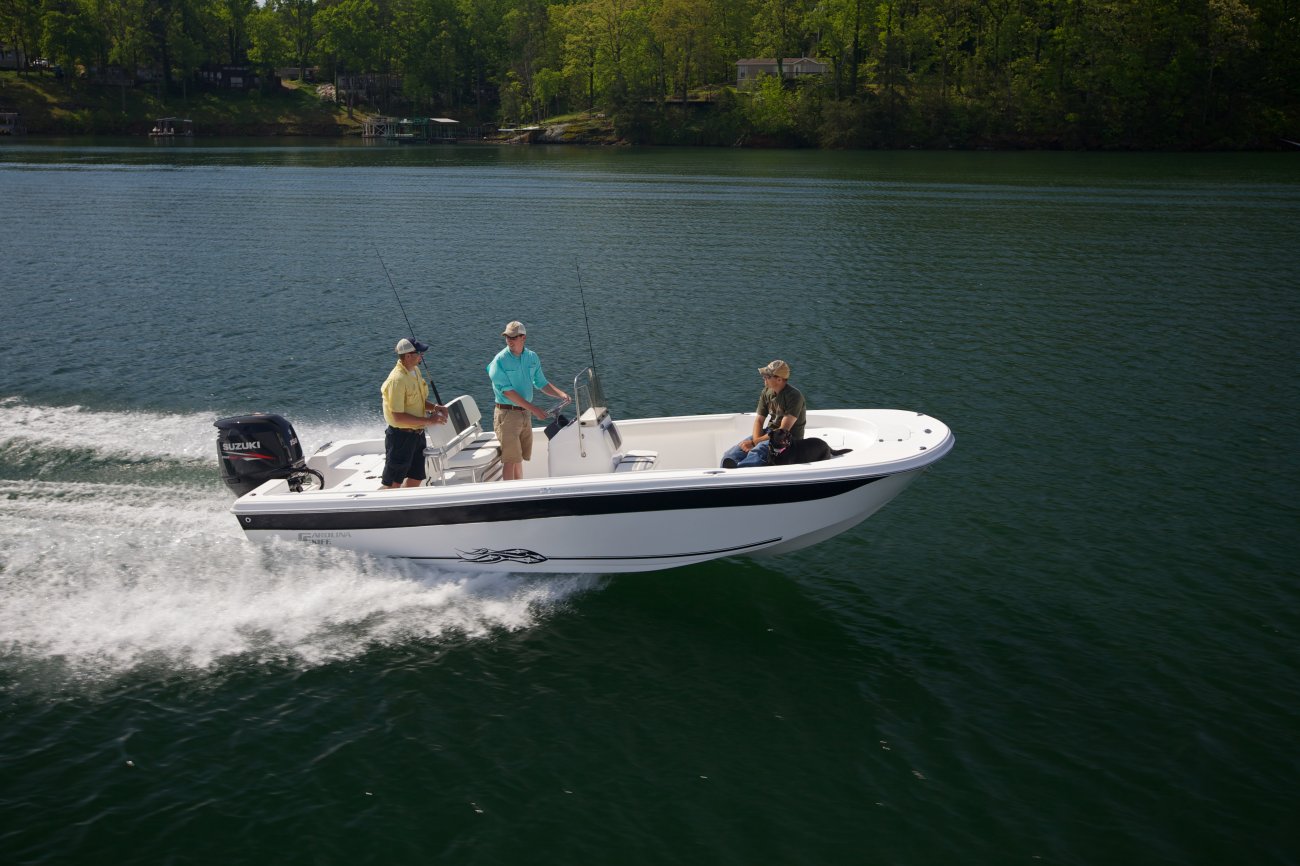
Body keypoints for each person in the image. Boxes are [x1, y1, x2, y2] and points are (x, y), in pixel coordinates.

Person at [487, 321, 570, 481]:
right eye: (506, 337)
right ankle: (509, 498)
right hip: (507, 415)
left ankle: (519, 490)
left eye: (513, 337)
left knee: (519, 459)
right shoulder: (499, 361)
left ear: (523, 337)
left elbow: (541, 383)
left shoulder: (532, 357)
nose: (509, 340)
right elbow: (509, 393)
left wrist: (561, 394)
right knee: (510, 460)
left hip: (524, 414)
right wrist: (534, 409)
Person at [380, 337, 448, 489]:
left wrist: (435, 407)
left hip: (417, 435)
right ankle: (389, 510)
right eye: (419, 353)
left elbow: (418, 402)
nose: (421, 356)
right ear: (408, 356)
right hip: (400, 438)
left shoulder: (415, 371)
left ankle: (404, 507)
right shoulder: (396, 380)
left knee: (416, 477)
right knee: (393, 482)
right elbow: (398, 416)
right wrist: (431, 421)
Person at [721, 359, 807, 468]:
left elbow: (783, 431)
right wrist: (755, 441)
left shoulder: (794, 396)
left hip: (788, 438)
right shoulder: (766, 392)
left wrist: (754, 443)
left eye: (768, 376)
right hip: (770, 433)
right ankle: (728, 474)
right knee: (730, 455)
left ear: (779, 379)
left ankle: (740, 477)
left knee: (758, 453)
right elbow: (759, 420)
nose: (764, 378)